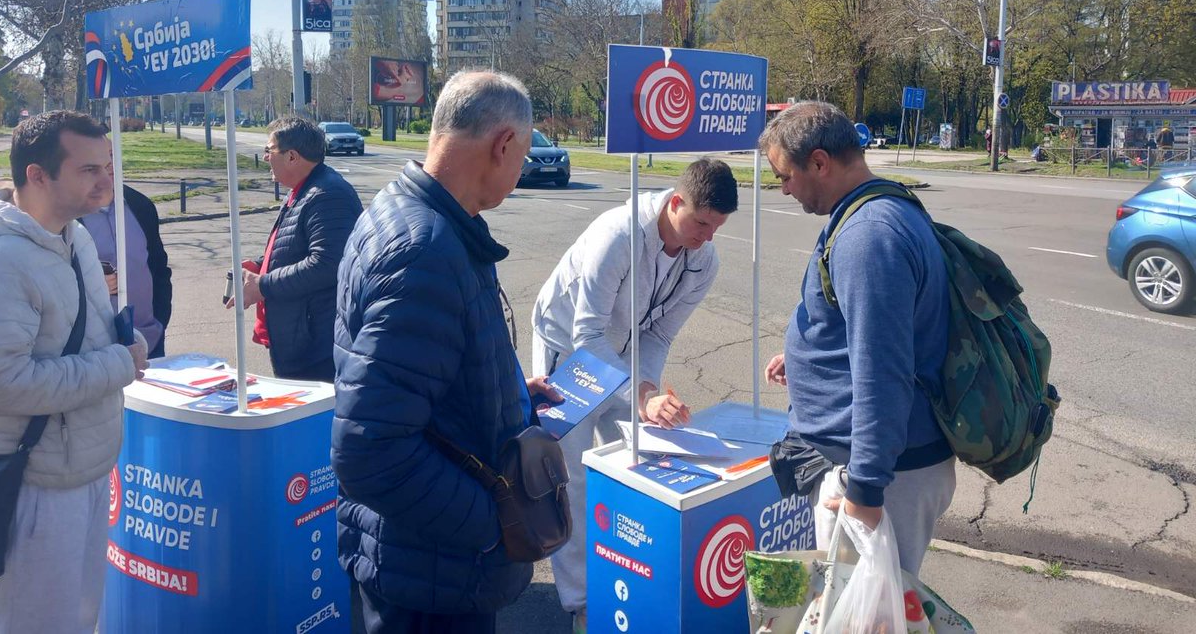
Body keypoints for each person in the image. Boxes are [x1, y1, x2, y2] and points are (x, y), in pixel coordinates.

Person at [332, 70, 561, 634]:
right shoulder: (425, 248)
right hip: (433, 578)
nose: (521, 170)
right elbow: (369, 449)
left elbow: (417, 379)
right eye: (523, 154)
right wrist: (493, 525)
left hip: (421, 563)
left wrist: (505, 395)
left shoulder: (410, 215)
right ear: (503, 144)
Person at [531, 157, 738, 633]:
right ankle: (582, 600)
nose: (707, 236)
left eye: (717, 227)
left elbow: (659, 336)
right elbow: (587, 335)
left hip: (624, 353)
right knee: (573, 473)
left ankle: (620, 571)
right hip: (568, 350)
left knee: (630, 457)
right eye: (702, 223)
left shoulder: (704, 259)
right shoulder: (619, 234)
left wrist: (646, 394)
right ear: (676, 201)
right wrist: (642, 393)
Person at [761, 101, 954, 576]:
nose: (783, 189)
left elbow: (883, 373)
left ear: (820, 162)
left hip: (879, 478)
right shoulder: (874, 207)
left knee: (864, 617)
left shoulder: (868, 236)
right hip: (881, 467)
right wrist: (808, 354)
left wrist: (864, 493)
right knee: (866, 613)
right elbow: (865, 330)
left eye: (785, 176)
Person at [0, 111, 148, 634]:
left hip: (86, 468)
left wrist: (131, 342)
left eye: (107, 165)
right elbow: (5, 383)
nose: (108, 180)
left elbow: (97, 332)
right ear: (37, 175)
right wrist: (118, 364)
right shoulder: (4, 261)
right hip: (37, 483)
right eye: (89, 170)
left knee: (82, 618)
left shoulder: (76, 236)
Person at [229, 116, 362, 382]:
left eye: (269, 150)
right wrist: (260, 264)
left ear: (292, 156)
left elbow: (328, 264)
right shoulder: (306, 189)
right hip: (299, 338)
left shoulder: (326, 194)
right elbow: (295, 246)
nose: (265, 157)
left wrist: (263, 284)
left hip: (316, 347)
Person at [79, 159, 172, 358]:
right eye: (98, 159)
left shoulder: (140, 205)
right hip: (93, 353)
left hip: (149, 341)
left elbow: (159, 269)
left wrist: (160, 322)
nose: (109, 166)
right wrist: (90, 284)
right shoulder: (66, 215)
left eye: (111, 156)